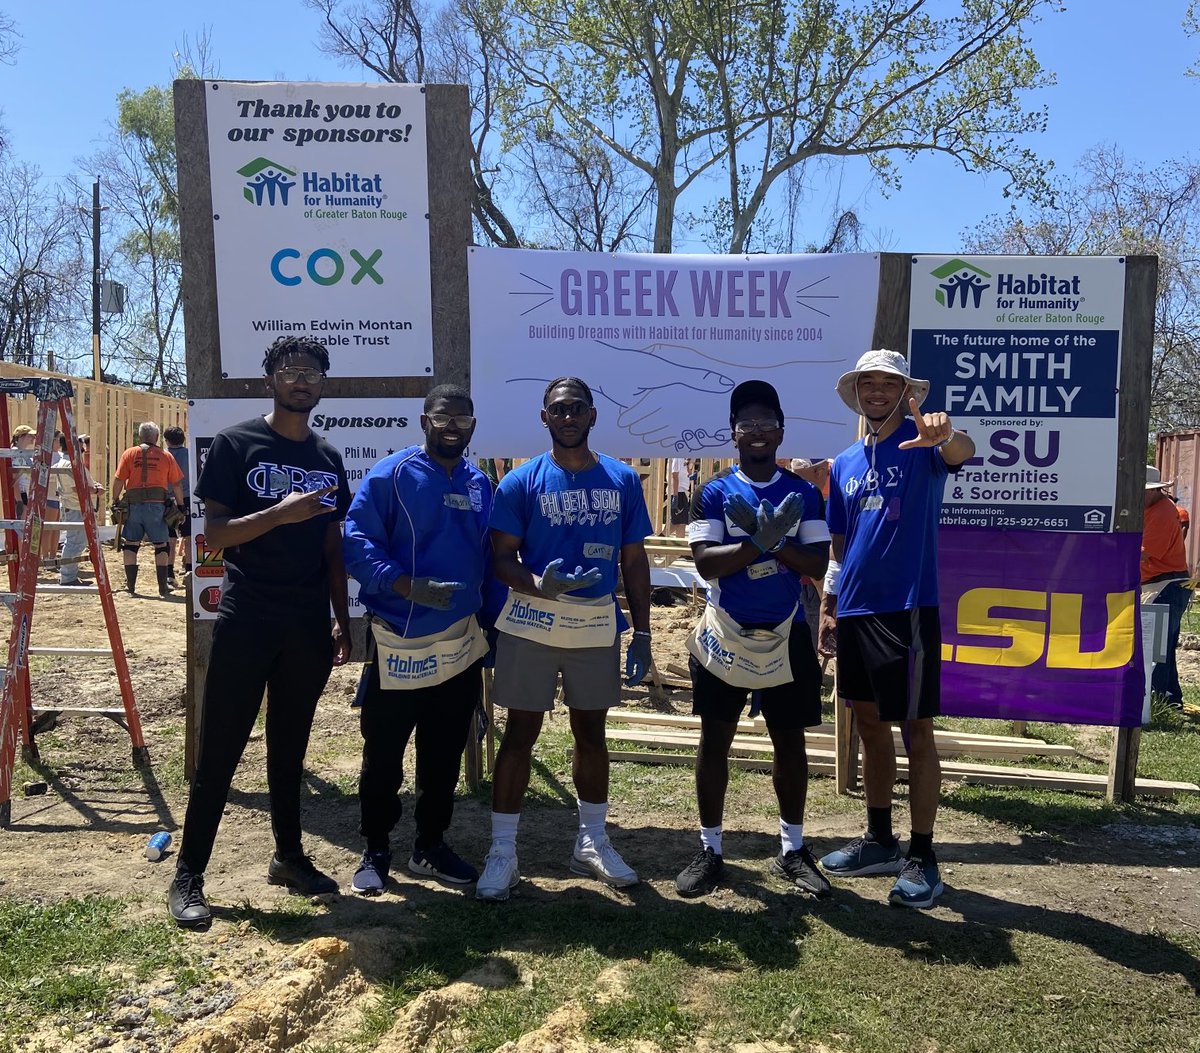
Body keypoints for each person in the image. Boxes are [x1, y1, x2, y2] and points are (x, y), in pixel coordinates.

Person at [168, 335, 352, 929]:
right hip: (248, 614)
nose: (301, 380)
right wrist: (279, 513)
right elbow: (215, 536)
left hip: (306, 622)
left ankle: (288, 858)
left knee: (290, 746)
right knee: (221, 747)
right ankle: (189, 875)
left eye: (311, 373)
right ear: (269, 380)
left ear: (323, 385)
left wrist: (341, 616)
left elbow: (331, 547)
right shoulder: (236, 443)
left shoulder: (328, 457)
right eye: (290, 370)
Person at [476, 376, 653, 902]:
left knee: (591, 733)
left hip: (594, 623)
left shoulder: (622, 479)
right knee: (520, 733)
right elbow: (500, 557)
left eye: (577, 408)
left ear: (593, 415)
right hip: (533, 619)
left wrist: (643, 631)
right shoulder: (521, 482)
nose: (568, 417)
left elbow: (634, 560)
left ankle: (592, 840)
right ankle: (503, 852)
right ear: (544, 418)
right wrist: (538, 584)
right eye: (559, 409)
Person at [817, 349, 975, 909]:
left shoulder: (925, 443)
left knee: (916, 730)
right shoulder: (844, 462)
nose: (877, 392)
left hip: (908, 607)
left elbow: (963, 452)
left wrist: (945, 435)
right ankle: (880, 840)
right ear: (856, 393)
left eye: (889, 383)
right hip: (856, 610)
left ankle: (923, 855)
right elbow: (840, 544)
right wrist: (830, 603)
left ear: (907, 392)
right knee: (869, 725)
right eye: (869, 384)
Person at [675, 381, 831, 898]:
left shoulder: (803, 493)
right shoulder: (714, 491)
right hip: (725, 630)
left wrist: (771, 543)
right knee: (715, 739)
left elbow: (816, 563)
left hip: (787, 630)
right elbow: (706, 564)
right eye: (747, 424)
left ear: (781, 432)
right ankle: (710, 849)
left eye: (767, 423)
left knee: (790, 741)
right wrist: (761, 543)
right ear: (733, 433)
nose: (757, 432)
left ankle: (793, 849)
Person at [343, 384, 495, 894]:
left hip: (459, 643)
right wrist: (403, 584)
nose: (452, 427)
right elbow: (356, 541)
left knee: (444, 751)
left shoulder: (480, 483)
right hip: (400, 641)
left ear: (473, 426)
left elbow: (490, 557)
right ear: (424, 421)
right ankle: (376, 848)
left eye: (462, 419)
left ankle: (430, 845)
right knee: (384, 752)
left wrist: (493, 623)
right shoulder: (392, 474)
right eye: (442, 417)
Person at [111, 421, 185, 597]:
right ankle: (163, 587)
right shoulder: (166, 456)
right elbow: (176, 484)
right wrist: (181, 506)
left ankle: (130, 587)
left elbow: (119, 480)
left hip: (133, 506)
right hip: (157, 507)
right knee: (161, 545)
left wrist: (114, 500)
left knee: (131, 544)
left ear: (140, 436)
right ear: (157, 437)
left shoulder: (129, 454)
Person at [1142, 466, 1191, 711]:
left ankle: (1158, 699)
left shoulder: (1161, 512)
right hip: (1163, 584)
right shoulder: (1156, 508)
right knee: (1163, 646)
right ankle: (1168, 699)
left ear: (1153, 491)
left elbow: (1146, 553)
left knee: (1156, 646)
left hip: (1165, 584)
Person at [55, 435, 103, 586]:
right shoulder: (70, 464)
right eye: (82, 445)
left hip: (74, 506)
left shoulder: (68, 462)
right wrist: (96, 490)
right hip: (76, 507)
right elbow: (77, 488)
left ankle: (68, 575)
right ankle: (68, 577)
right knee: (75, 543)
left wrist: (93, 486)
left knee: (75, 541)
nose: (84, 448)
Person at [163, 426, 192, 587]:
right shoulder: (189, 454)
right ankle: (189, 572)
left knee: (170, 538)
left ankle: (169, 574)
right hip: (187, 498)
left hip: (166, 499)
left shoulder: (163, 455)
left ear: (167, 440)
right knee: (189, 537)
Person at [10, 425, 35, 520]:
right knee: (22, 525)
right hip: (21, 494)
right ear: (21, 437)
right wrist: (20, 501)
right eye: (30, 436)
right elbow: (14, 479)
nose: (33, 438)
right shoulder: (16, 454)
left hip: (28, 493)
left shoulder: (25, 453)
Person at [668, 456, 689, 538]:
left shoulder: (683, 458)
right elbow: (674, 476)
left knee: (682, 523)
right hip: (678, 492)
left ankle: (680, 542)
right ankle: (660, 537)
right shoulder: (678, 457)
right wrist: (675, 496)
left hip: (682, 492)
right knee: (676, 522)